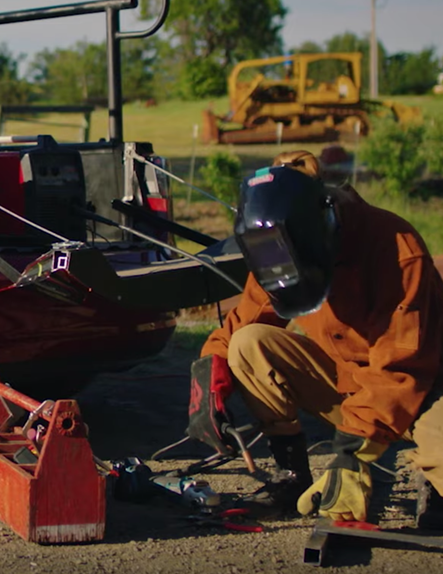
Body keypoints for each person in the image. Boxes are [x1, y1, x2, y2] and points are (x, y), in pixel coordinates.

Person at [186, 149, 443, 525]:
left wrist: (350, 456)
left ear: (324, 225)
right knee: (248, 343)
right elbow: (243, 323)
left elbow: (400, 368)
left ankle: (433, 487)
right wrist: (210, 375)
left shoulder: (395, 247)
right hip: (352, 387)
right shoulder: (276, 243)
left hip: (422, 390)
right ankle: (291, 477)